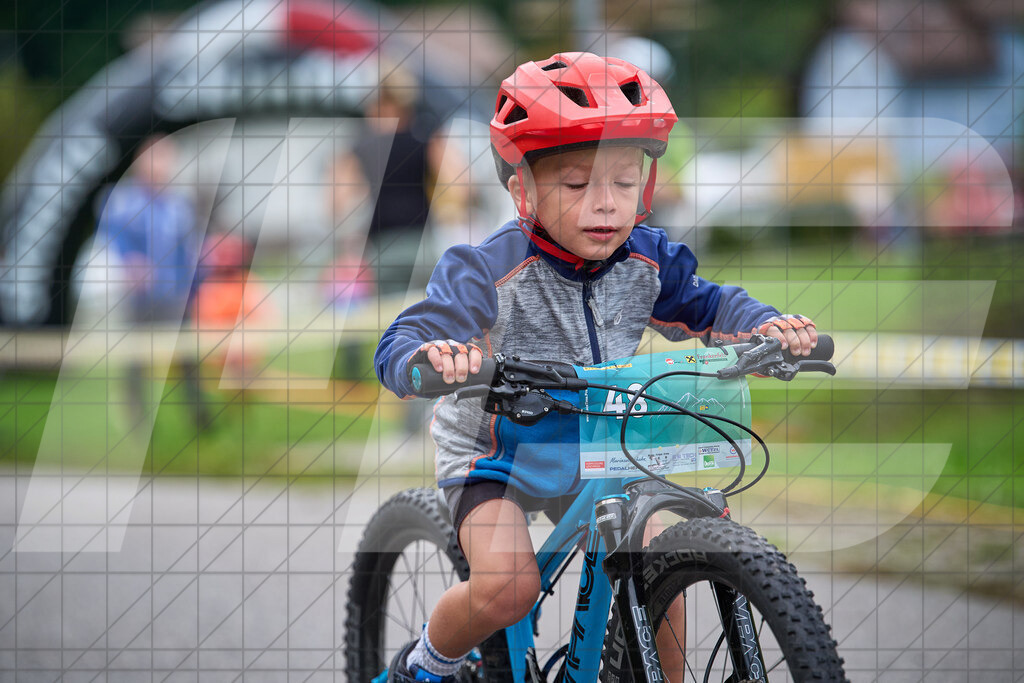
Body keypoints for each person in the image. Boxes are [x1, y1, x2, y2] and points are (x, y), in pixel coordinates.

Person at [374, 52, 818, 683]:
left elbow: (714, 304)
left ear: (648, 186)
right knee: (506, 587)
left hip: (603, 440)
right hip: (499, 451)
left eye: (622, 182)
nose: (604, 205)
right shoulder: (485, 266)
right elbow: (413, 332)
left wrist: (767, 329)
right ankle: (423, 665)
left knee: (667, 551)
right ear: (522, 190)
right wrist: (429, 359)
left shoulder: (647, 257)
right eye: (576, 185)